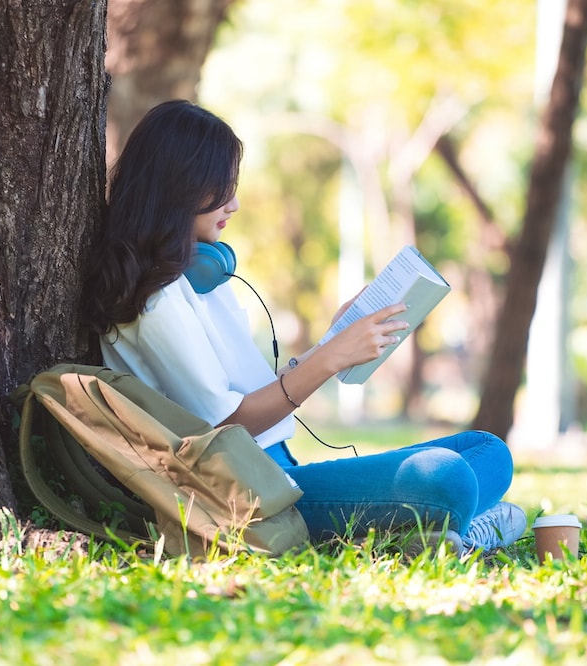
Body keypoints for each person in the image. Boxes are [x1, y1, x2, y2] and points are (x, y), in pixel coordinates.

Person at [80, 99, 526, 555]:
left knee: (488, 451)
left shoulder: (200, 278)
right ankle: (460, 534)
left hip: (279, 473)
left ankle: (431, 536)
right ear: (178, 186)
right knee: (447, 479)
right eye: (220, 188)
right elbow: (228, 426)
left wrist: (332, 341)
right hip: (249, 496)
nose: (233, 203)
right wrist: (331, 359)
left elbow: (254, 396)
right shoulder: (156, 301)